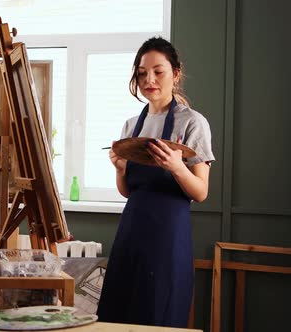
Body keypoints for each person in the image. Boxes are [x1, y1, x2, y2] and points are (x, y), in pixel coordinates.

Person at [96, 37, 215, 328]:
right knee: (119, 317)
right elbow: (127, 192)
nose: (149, 79)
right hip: (130, 234)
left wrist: (177, 167)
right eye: (141, 73)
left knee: (158, 317)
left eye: (158, 71)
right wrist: (120, 169)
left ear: (175, 74)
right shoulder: (129, 125)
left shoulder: (193, 123)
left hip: (168, 239)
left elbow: (200, 192)